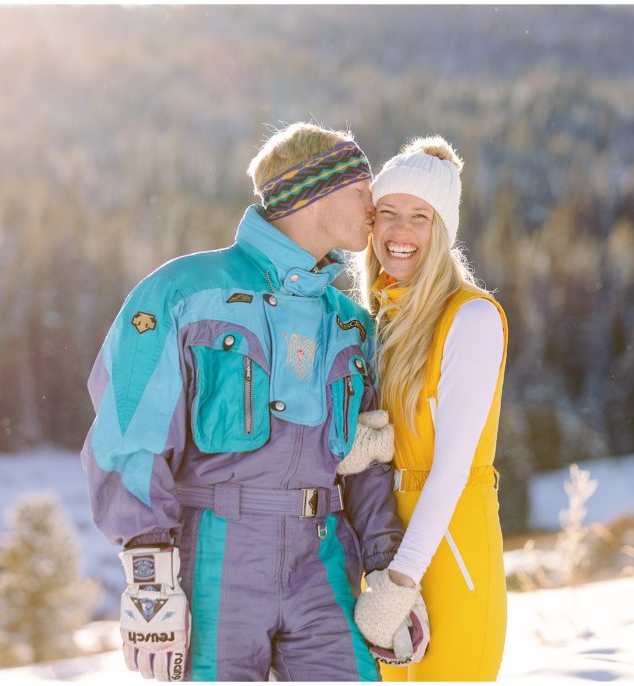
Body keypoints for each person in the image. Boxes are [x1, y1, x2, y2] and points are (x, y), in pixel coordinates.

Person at [81, 122, 429, 681]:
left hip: (325, 560)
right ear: (315, 191)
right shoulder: (185, 293)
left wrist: (388, 573)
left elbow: (367, 468)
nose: (376, 207)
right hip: (214, 558)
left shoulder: (350, 324)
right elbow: (131, 431)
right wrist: (149, 578)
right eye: (364, 190)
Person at [353, 136, 509, 681]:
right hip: (394, 548)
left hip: (450, 550)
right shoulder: (383, 317)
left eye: (419, 216)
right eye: (388, 213)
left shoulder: (471, 318)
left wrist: (400, 581)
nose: (399, 233)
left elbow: (451, 469)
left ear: (442, 230)